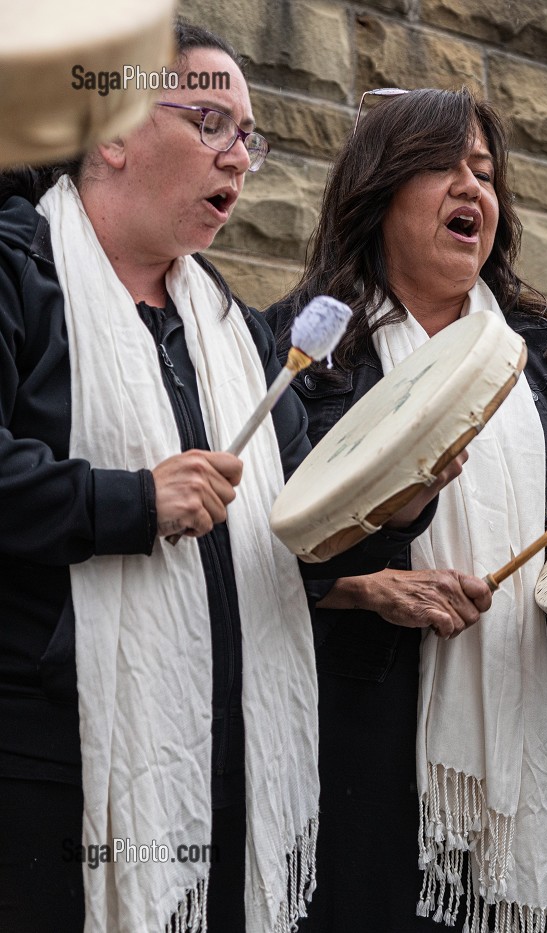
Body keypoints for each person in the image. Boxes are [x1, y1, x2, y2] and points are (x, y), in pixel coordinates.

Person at [0, 23, 444, 933]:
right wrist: (130, 500)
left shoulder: (231, 333)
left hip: (227, 768)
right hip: (51, 769)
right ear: (113, 131)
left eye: (250, 136)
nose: (239, 157)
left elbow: (286, 547)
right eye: (210, 121)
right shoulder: (20, 267)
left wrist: (388, 511)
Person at [266, 87, 547, 933]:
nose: (474, 190)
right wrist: (368, 583)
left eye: (486, 175)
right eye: (442, 167)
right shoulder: (304, 349)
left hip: (533, 740)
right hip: (364, 740)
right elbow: (251, 556)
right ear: (379, 190)